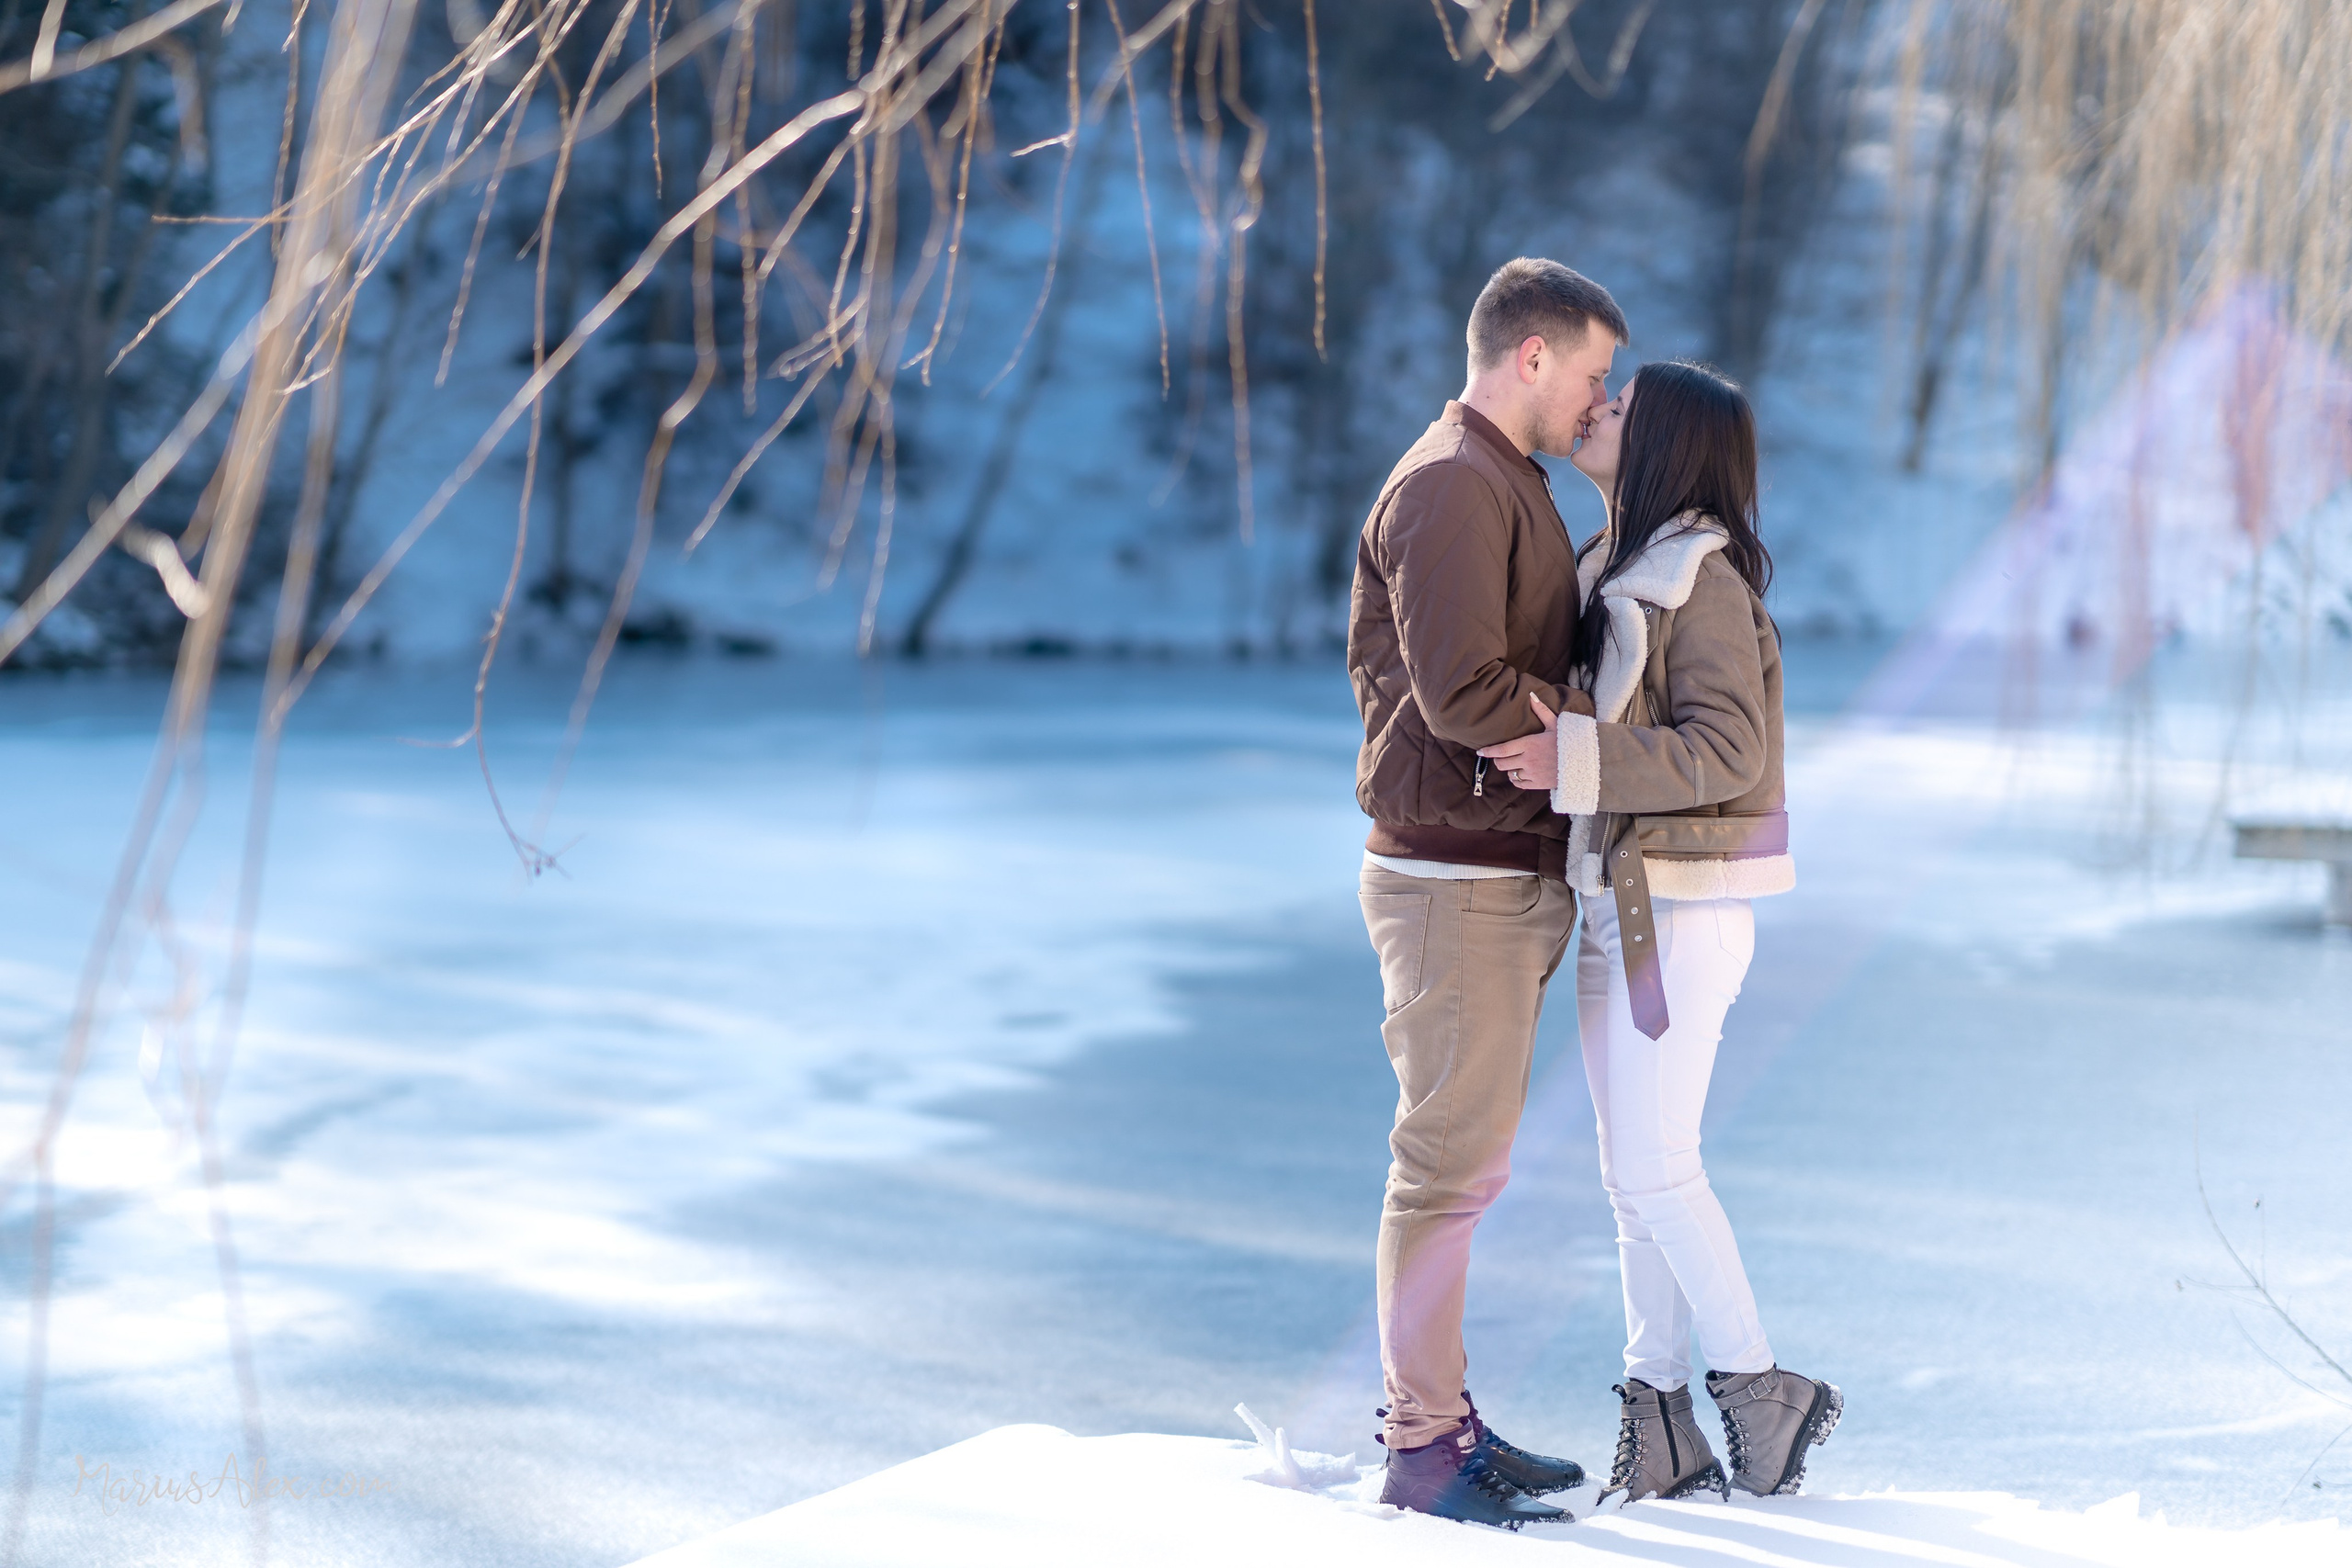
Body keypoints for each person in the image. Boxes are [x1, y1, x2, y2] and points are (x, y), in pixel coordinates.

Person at [1476, 360, 1842, 1506]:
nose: (1597, 410)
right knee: (1629, 1178)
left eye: (1621, 406)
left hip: (1679, 910)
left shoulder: (1704, 578)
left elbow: (1727, 749)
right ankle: (1662, 1418)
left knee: (1655, 1166)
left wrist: (1573, 755)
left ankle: (1758, 1384)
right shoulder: (1618, 567)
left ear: (1669, 442)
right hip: (1622, 904)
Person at [1347, 257, 1622, 1529]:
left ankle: (1443, 1414)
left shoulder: (1507, 478)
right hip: (1452, 877)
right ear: (1530, 357)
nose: (1595, 399)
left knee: (1469, 1164)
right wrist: (1595, 728)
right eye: (1591, 374)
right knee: (1446, 1165)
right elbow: (1460, 691)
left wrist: (1577, 738)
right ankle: (1419, 1443)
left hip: (1493, 868)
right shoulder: (1456, 483)